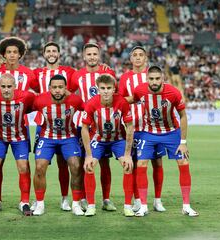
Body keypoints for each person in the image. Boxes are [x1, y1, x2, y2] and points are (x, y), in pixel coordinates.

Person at [130, 65, 198, 217]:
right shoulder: (140, 90)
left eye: (157, 79)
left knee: (183, 163)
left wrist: (183, 142)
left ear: (163, 79)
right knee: (141, 164)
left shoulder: (173, 92)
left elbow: (183, 116)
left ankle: (186, 206)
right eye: (151, 79)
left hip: (171, 133)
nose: (154, 82)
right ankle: (143, 206)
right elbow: (132, 100)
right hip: (149, 133)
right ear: (147, 79)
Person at [68, 43, 117, 211]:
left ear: (99, 55)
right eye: (89, 54)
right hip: (84, 124)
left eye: (95, 54)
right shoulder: (77, 75)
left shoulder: (107, 72)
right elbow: (69, 92)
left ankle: (106, 199)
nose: (92, 57)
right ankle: (83, 198)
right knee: (83, 161)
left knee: (104, 162)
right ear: (83, 56)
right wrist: (81, 106)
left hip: (104, 124)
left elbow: (114, 94)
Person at [0, 37, 36, 208]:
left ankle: (24, 201)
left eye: (15, 52)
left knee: (23, 165)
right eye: (8, 52)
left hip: (20, 128)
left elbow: (39, 94)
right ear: (4, 54)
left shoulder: (28, 73)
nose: (11, 55)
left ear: (20, 55)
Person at [118, 46, 166, 212]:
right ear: (130, 59)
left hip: (153, 127)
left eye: (141, 55)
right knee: (135, 164)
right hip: (133, 128)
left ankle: (157, 200)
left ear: (146, 58)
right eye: (135, 55)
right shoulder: (125, 78)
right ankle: (138, 199)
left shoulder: (152, 77)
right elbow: (120, 100)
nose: (138, 58)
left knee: (157, 162)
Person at [81, 74, 134, 217]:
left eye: (108, 88)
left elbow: (129, 127)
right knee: (89, 166)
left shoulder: (122, 102)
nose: (105, 91)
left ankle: (128, 206)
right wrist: (88, 155)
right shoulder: (91, 103)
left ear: (114, 89)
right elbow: (84, 129)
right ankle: (91, 206)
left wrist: (128, 155)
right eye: (102, 88)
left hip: (117, 139)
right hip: (98, 140)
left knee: (128, 166)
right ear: (97, 89)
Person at [0, 73, 35, 216]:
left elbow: (41, 102)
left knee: (23, 166)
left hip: (20, 137)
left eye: (9, 87)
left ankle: (24, 202)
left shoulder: (26, 96)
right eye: (3, 86)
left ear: (15, 87)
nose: (6, 90)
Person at [32, 74, 85, 216]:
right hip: (47, 137)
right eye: (54, 87)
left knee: (75, 165)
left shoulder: (75, 100)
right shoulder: (40, 100)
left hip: (68, 137)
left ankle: (75, 203)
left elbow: (89, 109)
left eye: (60, 87)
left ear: (66, 88)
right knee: (39, 167)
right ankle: (39, 203)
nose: (57, 90)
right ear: (49, 88)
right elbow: (24, 108)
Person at [32, 41, 75, 211]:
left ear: (59, 53)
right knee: (40, 164)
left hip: (65, 123)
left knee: (63, 163)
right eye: (48, 51)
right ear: (44, 54)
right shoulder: (37, 73)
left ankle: (65, 199)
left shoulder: (69, 72)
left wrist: (104, 67)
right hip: (43, 123)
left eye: (54, 51)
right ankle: (38, 200)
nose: (51, 53)